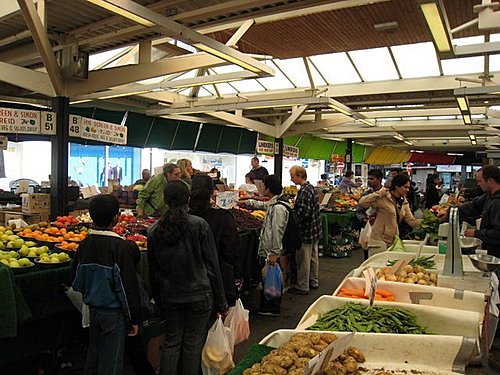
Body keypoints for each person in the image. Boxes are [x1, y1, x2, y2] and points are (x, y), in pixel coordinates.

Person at [148, 181, 227, 375]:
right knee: (192, 345)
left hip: (170, 295)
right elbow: (212, 266)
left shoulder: (154, 230)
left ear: (165, 200)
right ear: (188, 199)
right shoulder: (199, 225)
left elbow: (154, 271)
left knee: (172, 343)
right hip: (200, 295)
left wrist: (158, 301)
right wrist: (222, 301)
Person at [71, 194, 141, 375]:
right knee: (111, 361)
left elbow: (75, 279)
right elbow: (127, 288)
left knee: (94, 355)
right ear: (116, 218)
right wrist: (134, 318)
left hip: (92, 309)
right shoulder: (120, 247)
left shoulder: (84, 244)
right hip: (113, 313)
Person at [189, 174, 241, 308]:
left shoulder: (180, 219)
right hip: (215, 283)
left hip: (185, 284)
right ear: (213, 192)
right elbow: (232, 251)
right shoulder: (222, 217)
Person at [253, 175, 290, 316]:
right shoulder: (275, 203)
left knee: (271, 278)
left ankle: (272, 307)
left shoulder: (279, 208)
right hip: (269, 249)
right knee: (268, 277)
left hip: (271, 251)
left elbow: (277, 230)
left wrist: (274, 253)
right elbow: (264, 205)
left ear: (268, 188)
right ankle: (267, 305)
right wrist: (248, 202)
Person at [358, 173, 420, 250]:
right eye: (405, 187)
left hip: (393, 241)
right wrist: (379, 193)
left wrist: (428, 222)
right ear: (397, 186)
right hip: (378, 241)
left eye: (408, 188)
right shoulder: (384, 197)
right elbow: (362, 202)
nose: (407, 190)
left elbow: (411, 221)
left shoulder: (404, 202)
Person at [448, 165, 500, 255]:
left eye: (480, 181)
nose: (478, 184)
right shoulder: (489, 195)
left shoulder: (498, 202)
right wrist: (450, 212)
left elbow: (498, 234)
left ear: (491, 181)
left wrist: (476, 233)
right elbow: (474, 206)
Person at [288, 166, 322, 295]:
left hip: (307, 230)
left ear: (300, 175)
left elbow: (304, 213)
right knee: (313, 257)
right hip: (315, 229)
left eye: (292, 176)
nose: (291, 179)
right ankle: (313, 281)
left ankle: (302, 286)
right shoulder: (310, 187)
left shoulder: (304, 192)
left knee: (304, 259)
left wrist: (293, 215)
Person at [355, 169, 383, 259]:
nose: (368, 181)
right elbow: (359, 211)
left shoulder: (386, 194)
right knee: (367, 256)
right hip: (368, 230)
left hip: (382, 232)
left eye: (371, 179)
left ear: (379, 179)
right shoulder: (365, 195)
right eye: (368, 178)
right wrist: (363, 219)